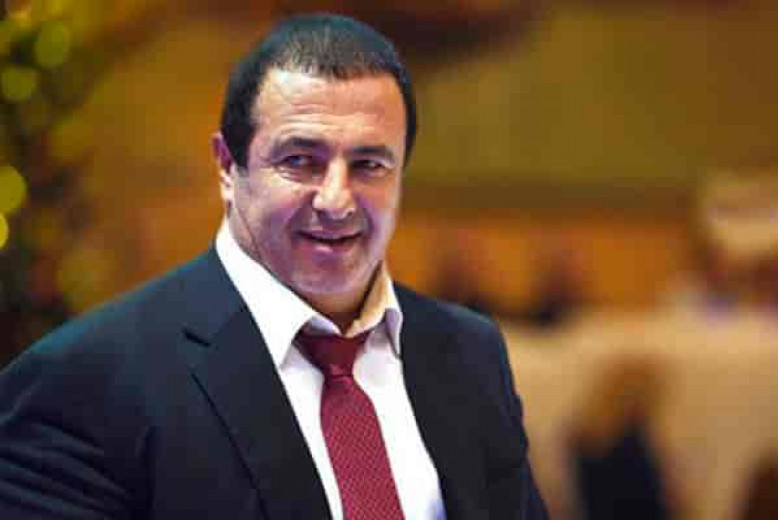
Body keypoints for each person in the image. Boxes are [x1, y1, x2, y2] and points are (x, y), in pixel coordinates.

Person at [0, 14, 548, 519]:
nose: (336, 200)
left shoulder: (470, 354)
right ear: (227, 167)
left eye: (369, 164)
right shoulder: (81, 386)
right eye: (300, 161)